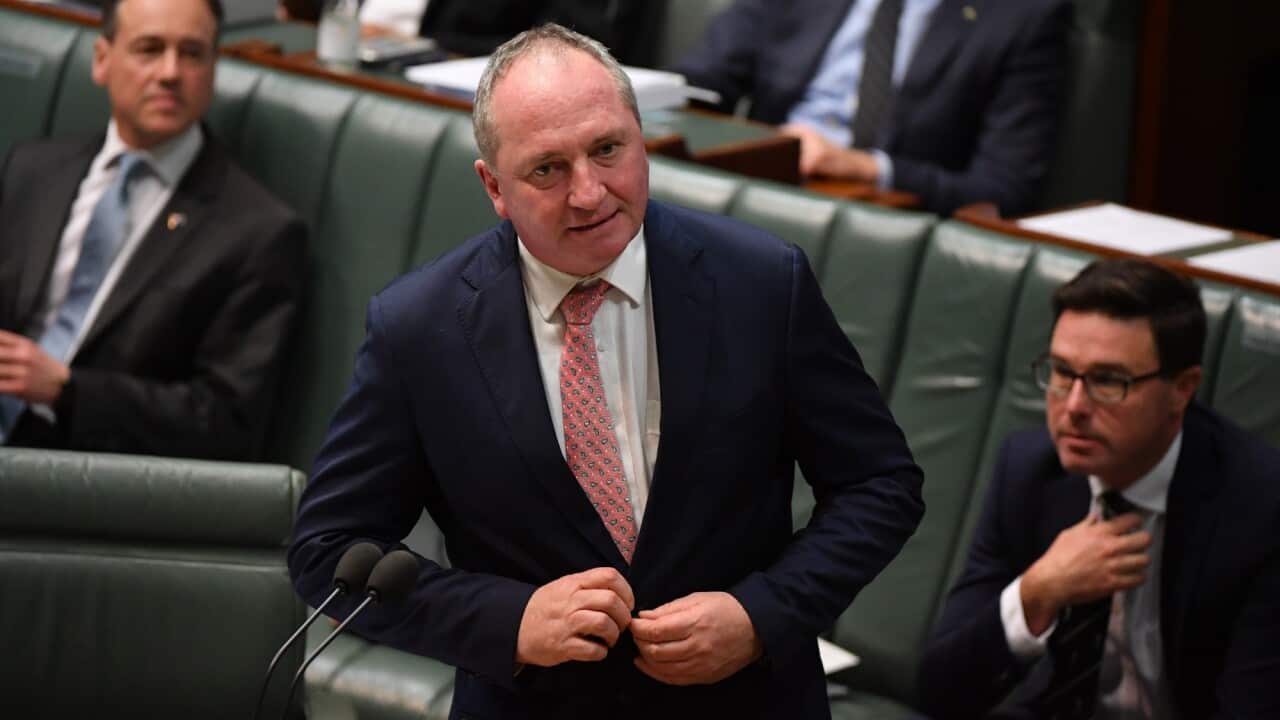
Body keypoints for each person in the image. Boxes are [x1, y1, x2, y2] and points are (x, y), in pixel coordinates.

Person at [288, 23, 924, 719]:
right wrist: (512, 621)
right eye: (547, 170)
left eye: (607, 150)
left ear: (639, 136)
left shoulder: (764, 284)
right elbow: (329, 553)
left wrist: (762, 613)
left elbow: (879, 483)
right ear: (494, 187)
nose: (590, 193)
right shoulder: (420, 329)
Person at [918, 259, 1280, 719]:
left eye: (1108, 381)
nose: (1073, 408)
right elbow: (938, 692)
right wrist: (1037, 592)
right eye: (1063, 372)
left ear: (1182, 390)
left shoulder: (1262, 508)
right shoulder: (1031, 470)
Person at [0, 0, 306, 459]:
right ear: (102, 60)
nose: (169, 72)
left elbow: (225, 421)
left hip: (89, 475)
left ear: (213, 67)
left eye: (192, 53)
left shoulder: (259, 232)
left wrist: (69, 390)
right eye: (149, 49)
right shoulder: (33, 170)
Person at [674, 0, 1070, 216]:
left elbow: (1006, 188)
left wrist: (866, 168)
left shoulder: (1025, 15)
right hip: (764, 178)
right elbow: (699, 82)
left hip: (885, 216)